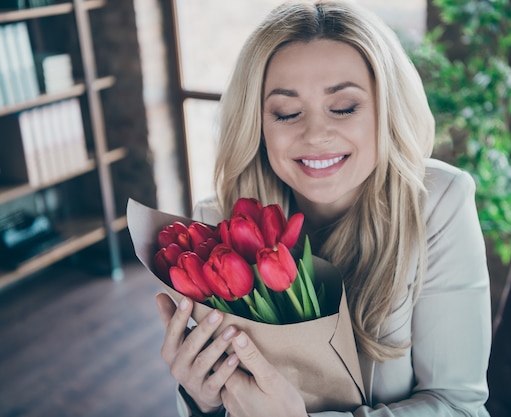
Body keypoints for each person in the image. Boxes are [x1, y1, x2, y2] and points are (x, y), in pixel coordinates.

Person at [155, 1, 492, 416]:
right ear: (257, 124)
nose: (315, 135)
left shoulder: (439, 202)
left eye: (344, 107)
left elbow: (460, 407)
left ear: (387, 112)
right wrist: (203, 399)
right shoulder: (216, 224)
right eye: (287, 112)